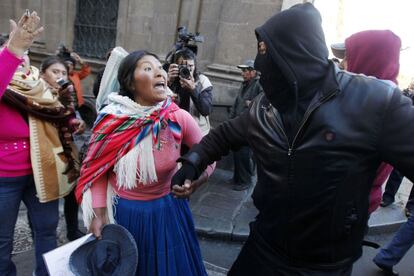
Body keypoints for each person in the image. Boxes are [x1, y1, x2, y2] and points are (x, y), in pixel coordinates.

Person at [170, 3, 414, 275]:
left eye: (264, 51)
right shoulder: (265, 106)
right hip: (262, 248)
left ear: (293, 53)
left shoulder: (376, 102)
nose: (259, 63)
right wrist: (193, 162)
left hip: (322, 267)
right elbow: (224, 134)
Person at [75, 50, 215, 276]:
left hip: (168, 213)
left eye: (160, 67)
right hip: (125, 216)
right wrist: (99, 215)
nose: (159, 72)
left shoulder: (176, 118)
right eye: (148, 68)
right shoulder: (112, 121)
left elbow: (209, 153)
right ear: (130, 82)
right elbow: (97, 171)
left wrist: (197, 179)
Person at [0, 11, 82, 276]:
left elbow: (55, 115)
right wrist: (12, 50)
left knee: (47, 231)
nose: (19, 63)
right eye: (13, 58)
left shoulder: (38, 86)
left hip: (42, 171)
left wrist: (71, 123)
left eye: (23, 57)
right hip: (4, 176)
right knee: (2, 240)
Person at [331, 30, 401, 216]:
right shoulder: (355, 99)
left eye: (348, 56)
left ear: (368, 59)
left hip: (345, 212)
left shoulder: (386, 110)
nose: (343, 64)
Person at [38, 56, 86, 241]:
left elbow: (68, 118)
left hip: (65, 152)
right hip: (45, 154)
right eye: (55, 72)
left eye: (63, 73)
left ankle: (72, 231)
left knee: (72, 195)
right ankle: (42, 235)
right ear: (43, 75)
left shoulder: (66, 96)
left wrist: (76, 122)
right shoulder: (35, 94)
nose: (60, 76)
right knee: (44, 199)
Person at [228, 59, 263, 191]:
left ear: (253, 72)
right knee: (237, 152)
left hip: (250, 126)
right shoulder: (245, 84)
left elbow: (265, 101)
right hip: (238, 124)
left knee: (244, 153)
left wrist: (253, 103)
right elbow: (237, 103)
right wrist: (231, 119)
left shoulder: (259, 84)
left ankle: (245, 181)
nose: (243, 73)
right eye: (242, 71)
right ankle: (238, 178)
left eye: (245, 71)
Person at [167, 47, 213, 136]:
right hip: (173, 130)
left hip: (195, 132)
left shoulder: (203, 81)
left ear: (195, 66)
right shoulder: (171, 79)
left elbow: (206, 110)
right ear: (175, 66)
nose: (187, 69)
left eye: (190, 66)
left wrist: (193, 90)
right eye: (182, 66)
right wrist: (168, 83)